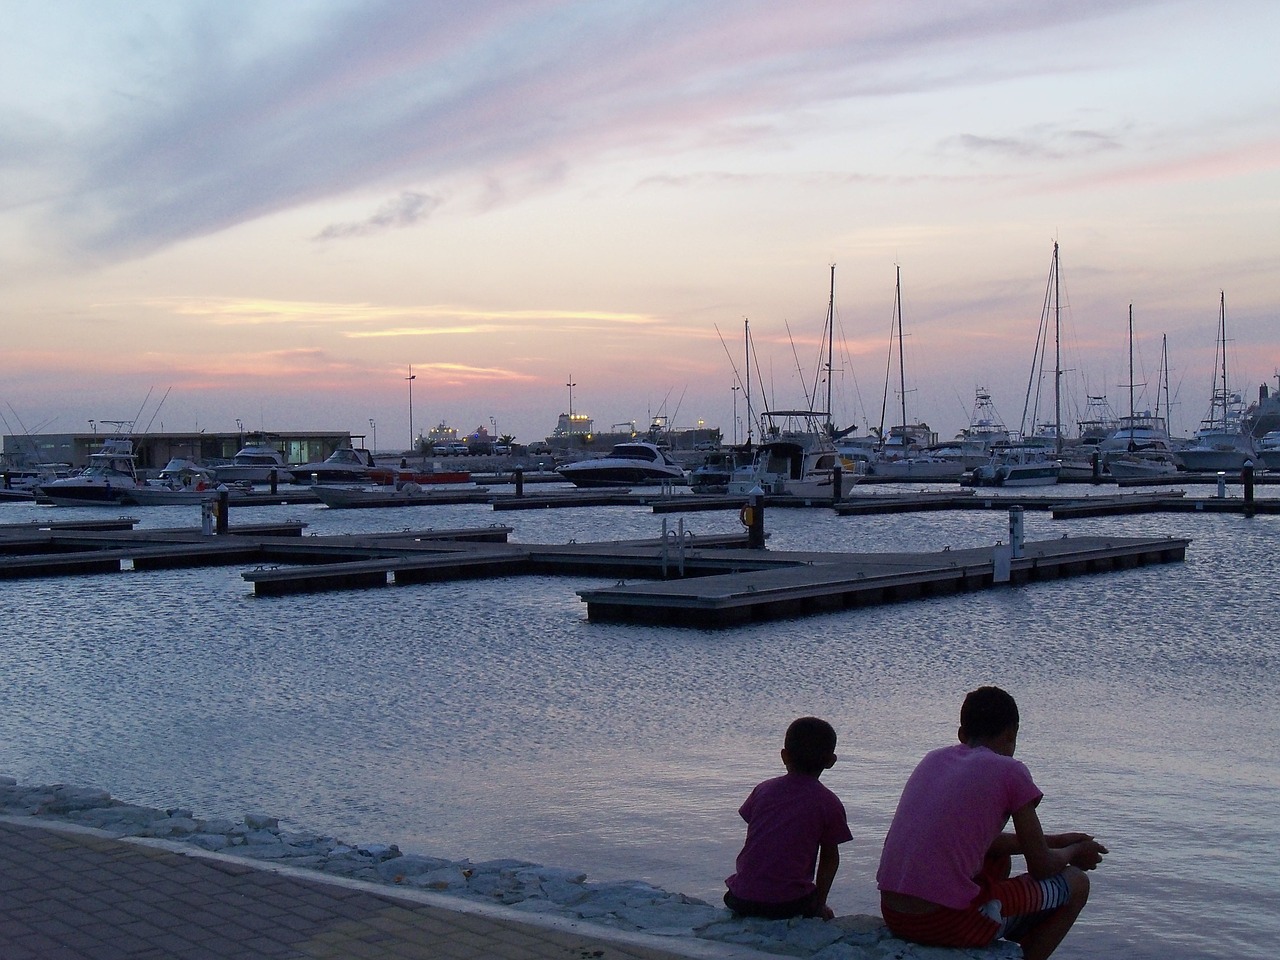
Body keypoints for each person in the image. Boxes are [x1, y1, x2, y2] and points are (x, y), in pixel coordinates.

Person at [876, 686, 1107, 960]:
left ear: (962, 734)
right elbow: (1041, 866)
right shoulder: (1011, 771)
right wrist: (1074, 852)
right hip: (944, 922)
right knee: (1077, 883)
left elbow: (983, 842)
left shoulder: (933, 759)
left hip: (894, 914)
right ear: (1011, 734)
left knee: (997, 859)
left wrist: (1056, 841)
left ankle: (996, 924)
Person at [724, 716, 852, 920]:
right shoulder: (828, 802)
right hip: (789, 905)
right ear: (831, 761)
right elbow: (830, 858)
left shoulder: (763, 790)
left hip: (741, 898)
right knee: (819, 909)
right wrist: (820, 904)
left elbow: (758, 829)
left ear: (784, 756)